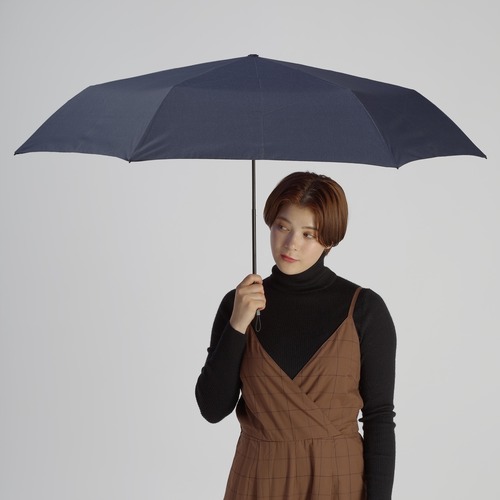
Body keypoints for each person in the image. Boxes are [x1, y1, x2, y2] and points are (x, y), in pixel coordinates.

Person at [195, 172, 396, 500]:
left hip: (337, 480)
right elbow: (212, 409)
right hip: (258, 481)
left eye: (308, 234)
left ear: (330, 240)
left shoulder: (365, 310)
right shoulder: (239, 303)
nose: (291, 244)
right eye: (282, 227)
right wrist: (237, 325)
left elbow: (379, 418)